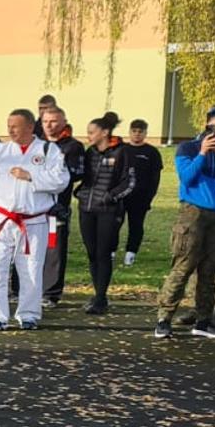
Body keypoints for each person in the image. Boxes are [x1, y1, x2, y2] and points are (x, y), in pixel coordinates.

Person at [0, 108, 70, 331]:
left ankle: (29, 314)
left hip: (33, 221)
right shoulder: (0, 150)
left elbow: (61, 180)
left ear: (29, 126)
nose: (10, 130)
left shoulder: (49, 150)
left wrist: (30, 175)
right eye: (8, 126)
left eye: (15, 126)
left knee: (31, 269)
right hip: (3, 219)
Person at [153, 102, 215, 340]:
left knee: (210, 270)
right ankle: (164, 318)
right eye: (214, 128)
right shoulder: (188, 148)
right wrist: (202, 153)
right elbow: (187, 177)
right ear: (206, 127)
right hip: (194, 212)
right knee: (184, 266)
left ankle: (203, 319)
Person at [76, 112, 137, 314]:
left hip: (108, 211)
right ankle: (97, 294)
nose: (88, 136)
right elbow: (83, 176)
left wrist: (110, 197)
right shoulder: (90, 152)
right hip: (86, 209)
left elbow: (129, 182)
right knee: (92, 253)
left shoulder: (122, 152)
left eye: (91, 132)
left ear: (104, 132)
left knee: (103, 253)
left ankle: (101, 297)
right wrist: (80, 193)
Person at [39, 106, 86, 306]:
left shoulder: (72, 147)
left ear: (63, 122)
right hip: (33, 207)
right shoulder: (36, 144)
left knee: (53, 248)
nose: (49, 125)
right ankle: (21, 288)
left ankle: (50, 293)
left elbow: (75, 173)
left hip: (56, 208)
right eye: (45, 121)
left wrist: (50, 175)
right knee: (28, 247)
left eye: (53, 121)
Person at [121, 118, 163, 266]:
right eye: (134, 131)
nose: (137, 134)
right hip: (121, 196)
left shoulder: (152, 152)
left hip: (140, 197)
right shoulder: (122, 150)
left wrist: (149, 197)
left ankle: (130, 253)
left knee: (136, 225)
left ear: (145, 133)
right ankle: (111, 251)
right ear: (129, 132)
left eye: (140, 131)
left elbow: (155, 178)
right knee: (114, 225)